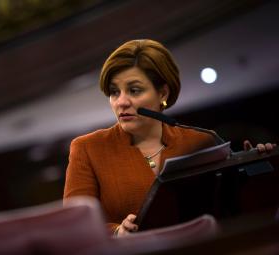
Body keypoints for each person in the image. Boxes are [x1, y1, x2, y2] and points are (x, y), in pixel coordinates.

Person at [63, 39, 276, 237]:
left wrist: (259, 167)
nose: (121, 102)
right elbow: (73, 228)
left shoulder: (202, 142)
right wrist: (117, 232)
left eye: (134, 90)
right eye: (114, 92)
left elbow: (241, 212)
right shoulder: (88, 149)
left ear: (163, 93)